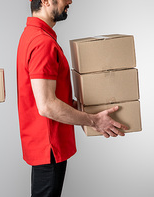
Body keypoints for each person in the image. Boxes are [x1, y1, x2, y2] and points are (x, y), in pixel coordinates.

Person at [16, 0, 128, 196]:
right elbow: (47, 106)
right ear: (45, 1)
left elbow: (48, 97)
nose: (70, 1)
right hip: (48, 146)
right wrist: (94, 121)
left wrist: (87, 108)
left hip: (43, 144)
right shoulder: (42, 43)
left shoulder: (32, 36)